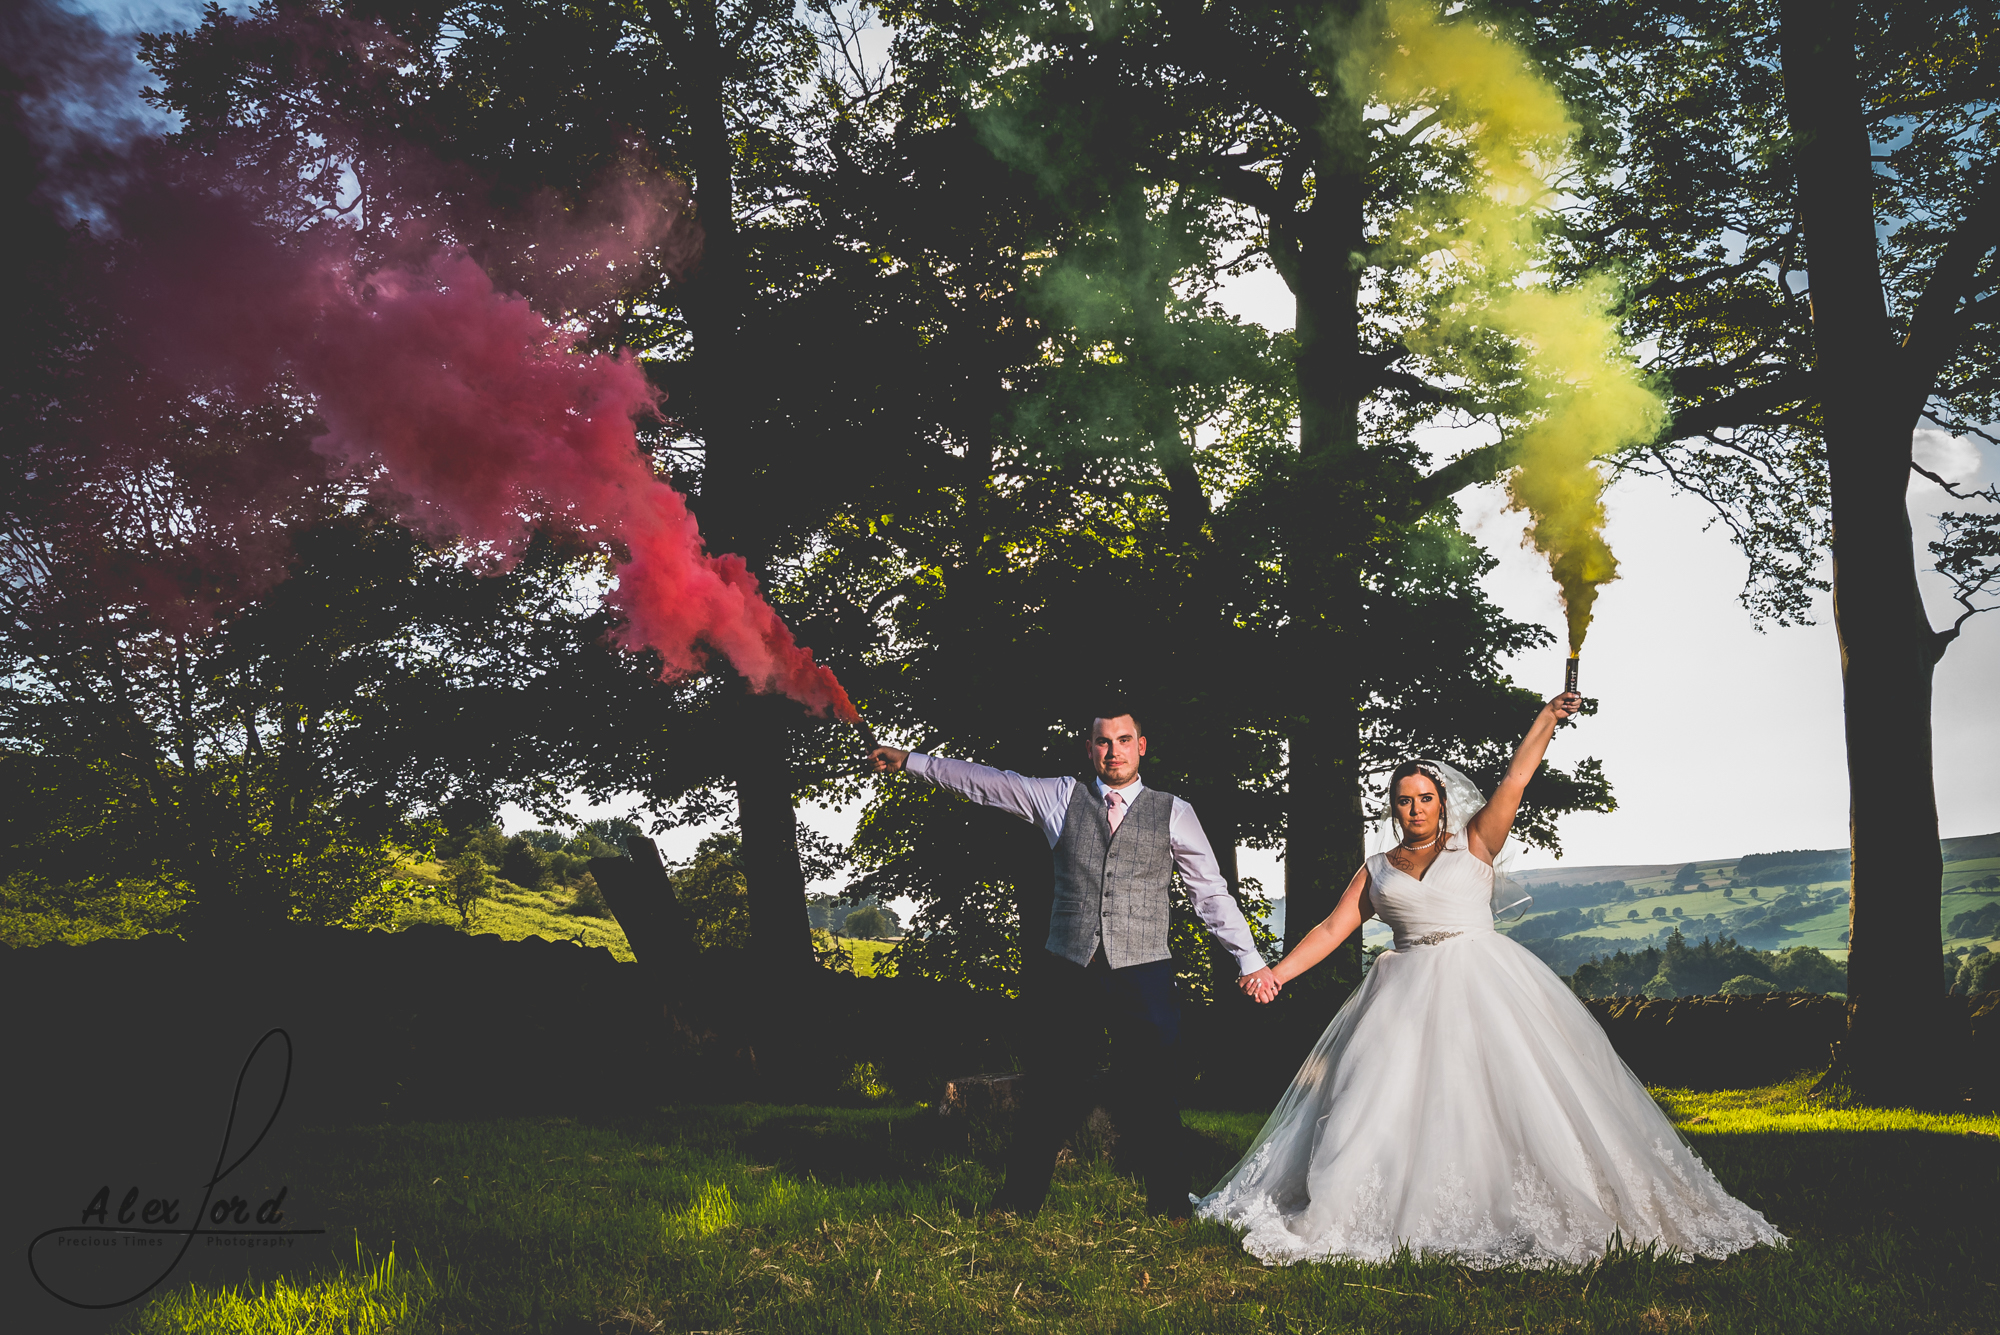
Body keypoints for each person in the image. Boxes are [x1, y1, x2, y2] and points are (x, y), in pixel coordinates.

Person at [1196, 690, 1786, 1266]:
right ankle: (1375, 1206)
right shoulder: (1377, 868)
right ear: (1392, 807)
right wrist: (1277, 972)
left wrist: (1547, 719)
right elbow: (1331, 929)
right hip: (1399, 997)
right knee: (1375, 1104)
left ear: (1442, 801)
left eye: (1425, 798)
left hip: (1483, 982)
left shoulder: (1475, 842)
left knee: (1510, 1093)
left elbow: (1516, 781)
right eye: (1403, 800)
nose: (1416, 808)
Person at [870, 710, 1277, 1220]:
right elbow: (987, 783)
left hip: (1145, 970)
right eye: (1103, 742)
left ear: (1142, 746)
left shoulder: (1174, 811)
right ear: (1090, 749)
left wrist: (1250, 961)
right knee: (1050, 1088)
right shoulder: (1059, 797)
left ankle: (1170, 1206)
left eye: (1124, 741)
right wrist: (912, 761)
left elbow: (1210, 894)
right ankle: (1017, 1205)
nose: (1114, 752)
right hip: (1069, 968)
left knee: (1155, 1091)